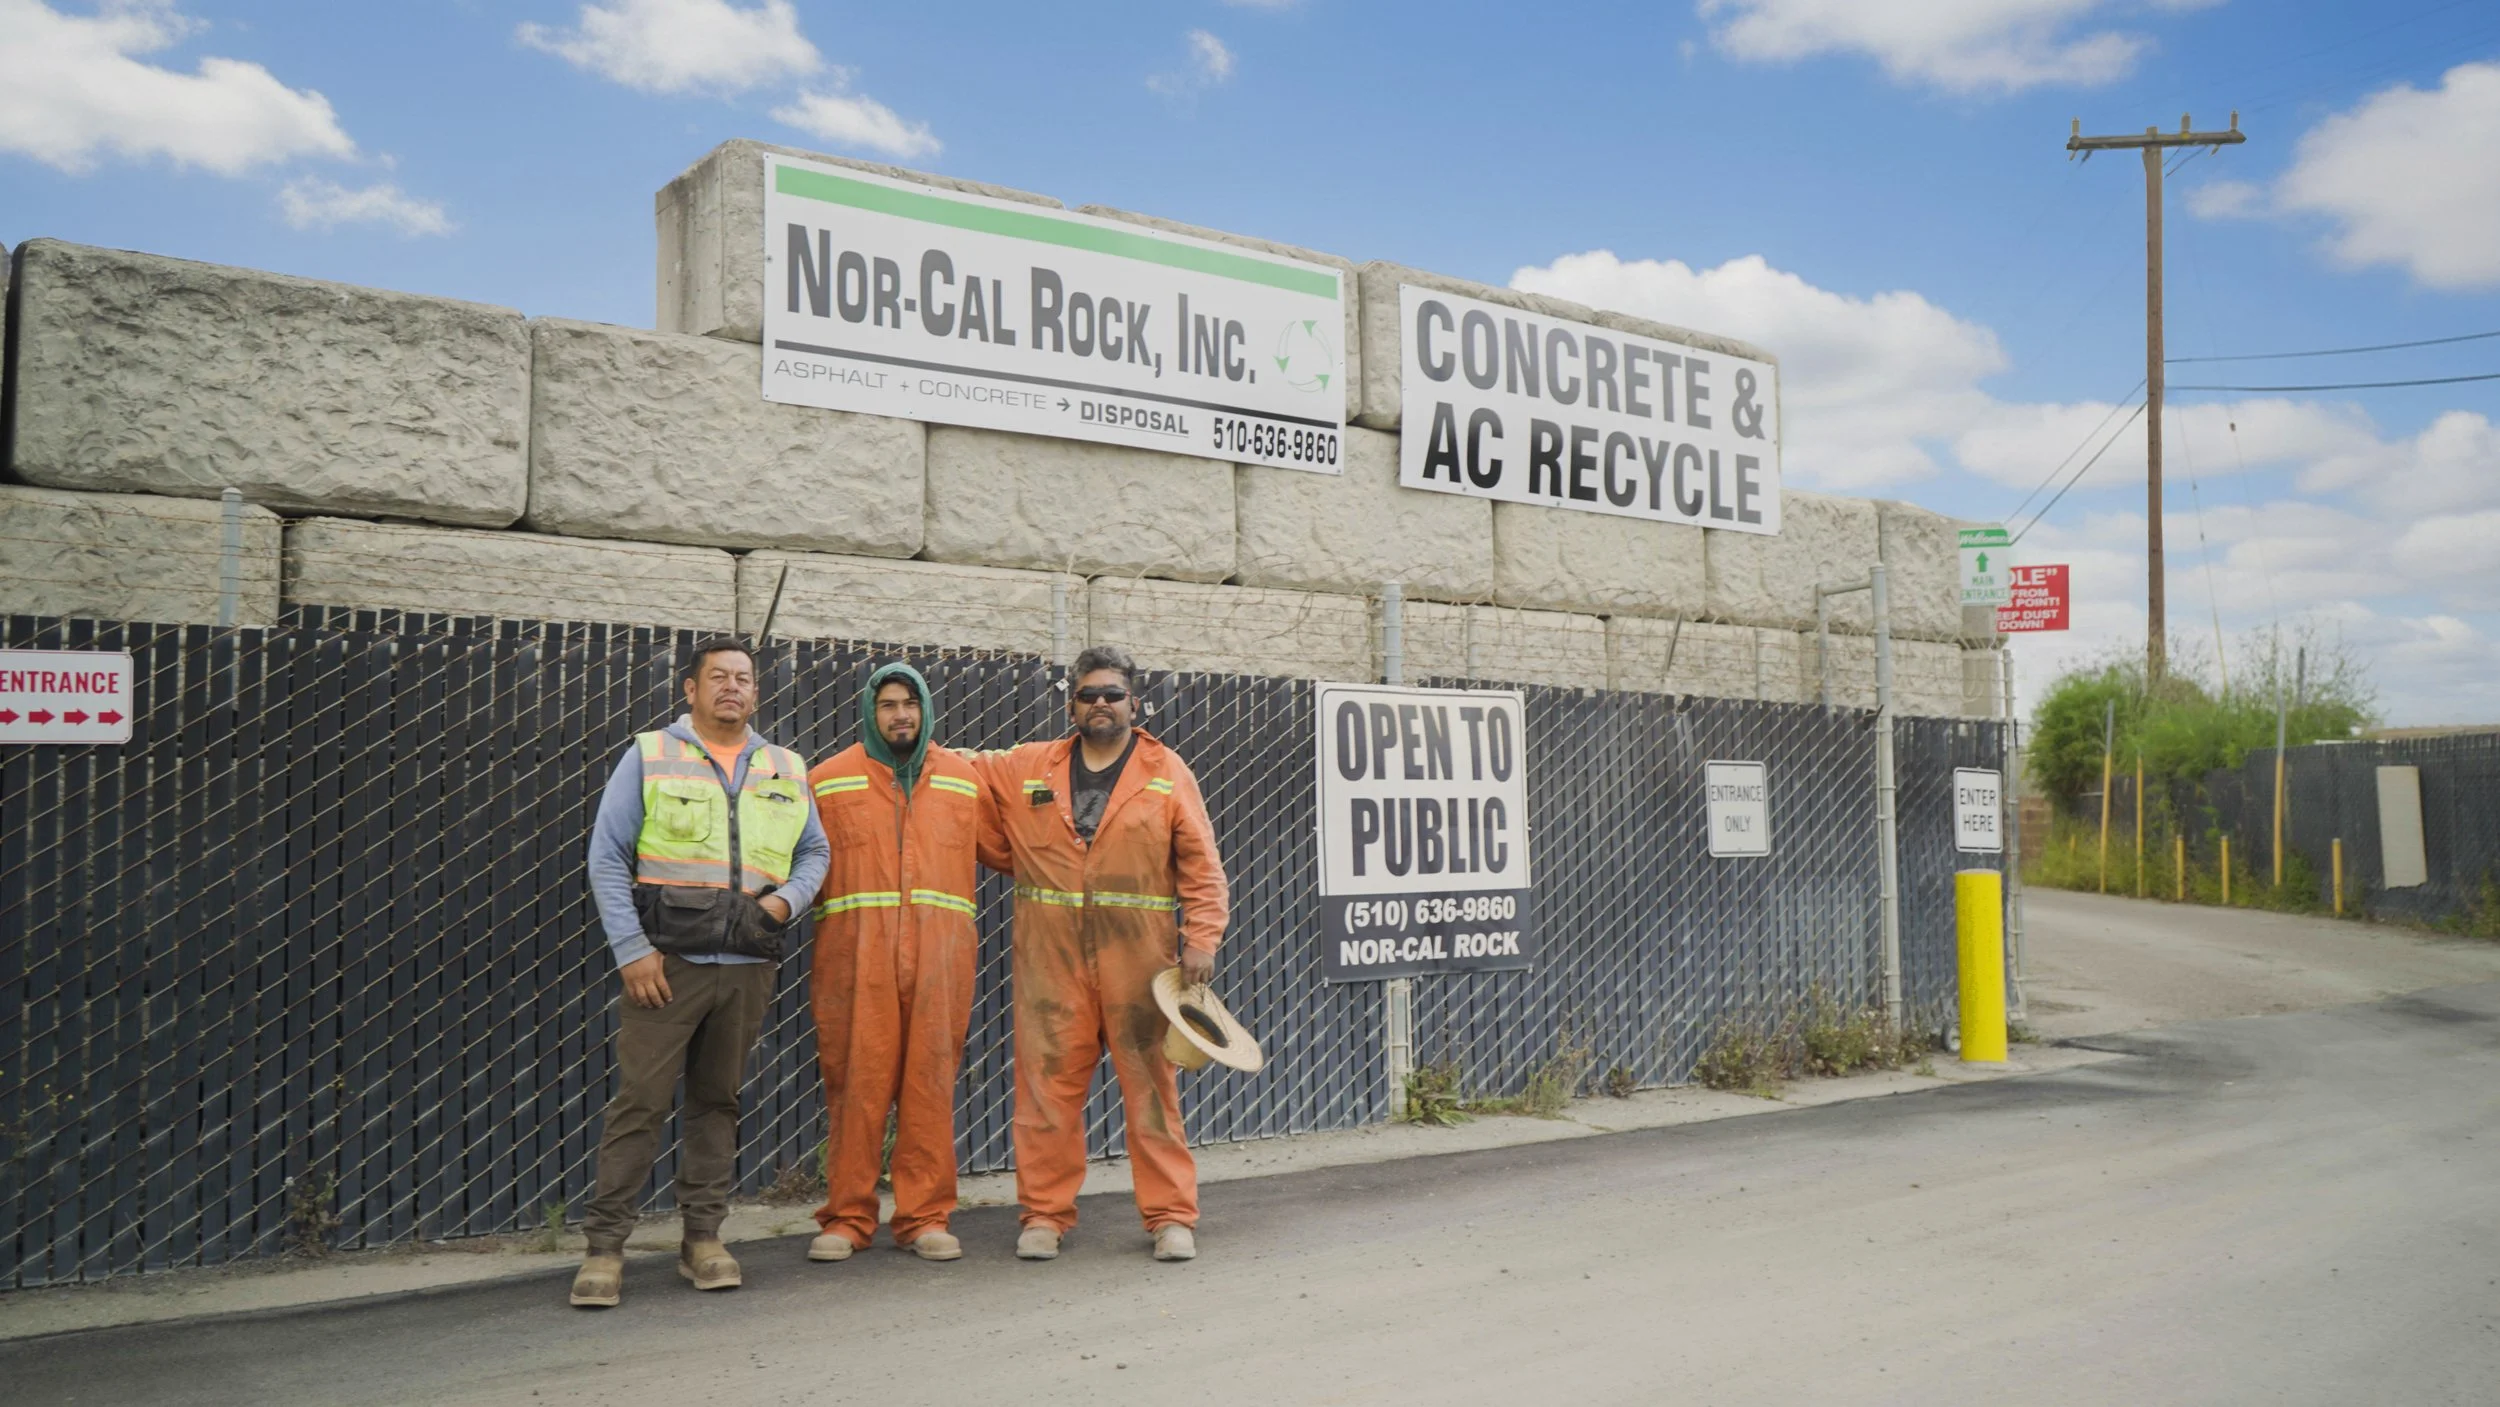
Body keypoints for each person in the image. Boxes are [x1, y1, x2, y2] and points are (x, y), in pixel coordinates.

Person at [572, 636, 828, 1308]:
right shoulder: (652, 755)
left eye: (744, 678)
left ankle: (704, 1240)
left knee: (718, 1103)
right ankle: (604, 1250)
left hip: (747, 966)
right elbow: (606, 856)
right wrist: (631, 949)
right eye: (718, 677)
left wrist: (783, 902)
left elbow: (814, 852)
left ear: (756, 691)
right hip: (666, 965)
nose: (732, 688)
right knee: (641, 1103)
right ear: (690, 689)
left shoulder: (784, 765)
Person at [975, 645, 1229, 1263]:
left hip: (1138, 961)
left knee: (1150, 1090)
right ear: (1072, 705)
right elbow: (965, 783)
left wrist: (1201, 939)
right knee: (1045, 1090)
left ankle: (1171, 1218)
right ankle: (1043, 1216)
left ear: (1134, 703)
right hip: (1049, 959)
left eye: (1113, 694)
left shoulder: (1167, 771)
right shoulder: (1030, 765)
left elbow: (1202, 864)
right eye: (1089, 695)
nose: (1101, 704)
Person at [803, 662, 1003, 1264]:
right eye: (888, 704)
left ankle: (924, 1217)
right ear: (870, 710)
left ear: (925, 710)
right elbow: (794, 865)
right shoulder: (827, 781)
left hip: (942, 962)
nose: (900, 715)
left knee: (929, 1087)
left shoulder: (964, 781)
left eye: (909, 704)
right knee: (855, 1086)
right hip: (854, 962)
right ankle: (847, 1218)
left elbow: (1014, 851)